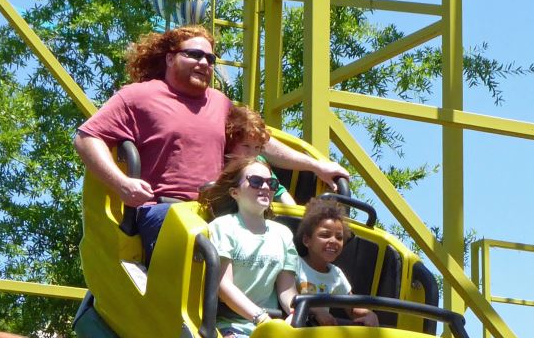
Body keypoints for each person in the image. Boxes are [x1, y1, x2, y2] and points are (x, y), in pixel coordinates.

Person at [73, 24, 346, 260]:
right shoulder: (138, 96)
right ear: (170, 59)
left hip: (219, 210)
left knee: (278, 243)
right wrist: (122, 184)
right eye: (194, 54)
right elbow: (88, 138)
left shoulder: (219, 102)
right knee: (202, 243)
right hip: (169, 208)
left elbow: (260, 142)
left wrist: (316, 165)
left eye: (210, 58)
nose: (204, 63)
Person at [202, 157, 299, 338]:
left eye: (271, 183)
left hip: (270, 331)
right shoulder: (224, 227)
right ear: (235, 192)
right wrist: (260, 318)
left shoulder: (282, 234)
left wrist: (295, 311)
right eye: (256, 181)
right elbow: (222, 286)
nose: (265, 187)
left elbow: (286, 289)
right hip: (231, 328)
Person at [293, 197, 378, 327]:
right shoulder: (295, 264)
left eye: (339, 237)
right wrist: (315, 310)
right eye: (325, 235)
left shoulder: (335, 274)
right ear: (307, 240)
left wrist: (369, 315)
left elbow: (352, 307)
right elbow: (288, 297)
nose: (333, 241)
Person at [225, 104, 296, 204]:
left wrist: (294, 214)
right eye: (246, 146)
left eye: (257, 147)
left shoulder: (259, 163)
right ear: (231, 143)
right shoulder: (221, 160)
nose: (252, 153)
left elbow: (280, 192)